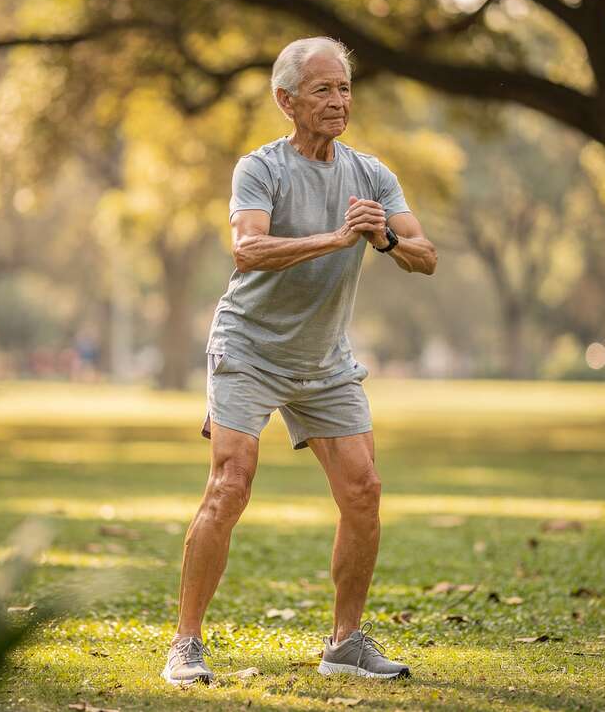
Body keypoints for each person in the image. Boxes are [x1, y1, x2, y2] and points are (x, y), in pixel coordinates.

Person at [161, 36, 438, 685]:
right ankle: (185, 643)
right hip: (249, 347)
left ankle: (344, 642)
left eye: (344, 88)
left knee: (364, 490)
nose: (339, 101)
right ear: (287, 101)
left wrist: (386, 235)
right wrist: (338, 237)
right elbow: (248, 250)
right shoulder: (261, 169)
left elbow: (424, 252)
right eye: (323, 90)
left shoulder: (370, 173)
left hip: (324, 358)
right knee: (230, 481)